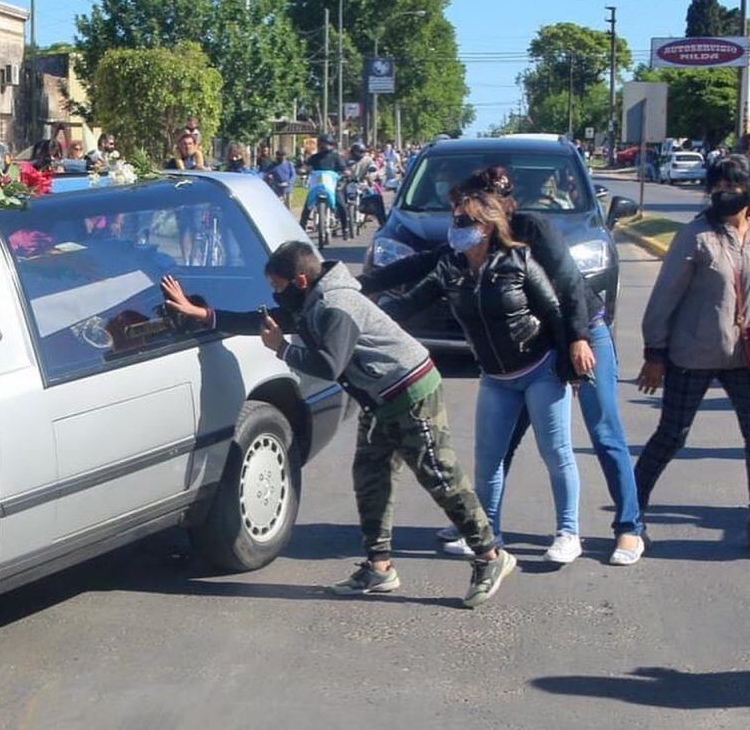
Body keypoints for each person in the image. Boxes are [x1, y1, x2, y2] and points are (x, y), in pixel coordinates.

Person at [159, 241, 515, 607]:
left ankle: (490, 556)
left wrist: (280, 348)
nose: (275, 295)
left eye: (278, 286)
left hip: (410, 392)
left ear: (300, 279)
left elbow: (330, 365)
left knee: (439, 476)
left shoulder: (335, 305)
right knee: (370, 479)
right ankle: (379, 568)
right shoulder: (311, 298)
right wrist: (201, 314)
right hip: (379, 398)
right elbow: (263, 320)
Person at [361, 167, 645, 565]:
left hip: (579, 329)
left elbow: (565, 289)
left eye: (461, 205)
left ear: (486, 203)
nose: (455, 215)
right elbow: (418, 268)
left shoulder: (533, 230)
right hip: (521, 355)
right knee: (499, 444)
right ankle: (482, 523)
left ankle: (628, 528)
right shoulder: (468, 246)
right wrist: (359, 287)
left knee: (602, 430)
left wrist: (574, 349)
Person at [635, 154, 750, 546]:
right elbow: (664, 297)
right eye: (716, 187)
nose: (723, 194)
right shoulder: (696, 235)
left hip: (743, 357)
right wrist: (655, 353)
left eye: (732, 187)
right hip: (692, 355)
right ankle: (631, 517)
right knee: (671, 436)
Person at [300, 133, 349, 239]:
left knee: (341, 205)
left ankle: (345, 229)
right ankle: (301, 228)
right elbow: (306, 166)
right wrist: (303, 170)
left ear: (331, 144)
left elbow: (344, 168)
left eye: (327, 144)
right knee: (307, 206)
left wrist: (346, 172)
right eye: (322, 144)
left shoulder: (336, 157)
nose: (324, 146)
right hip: (317, 185)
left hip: (332, 185)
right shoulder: (314, 157)